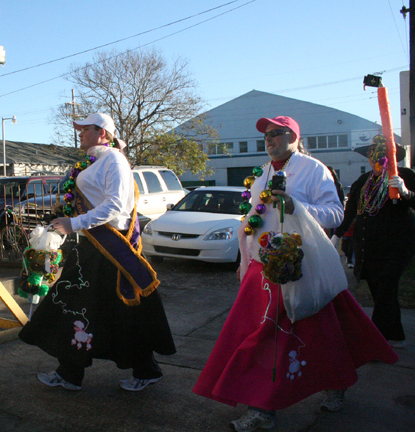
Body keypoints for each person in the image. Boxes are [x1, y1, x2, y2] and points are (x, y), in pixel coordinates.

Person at [192, 116, 398, 432]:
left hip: (299, 267)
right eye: (266, 135)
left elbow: (335, 213)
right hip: (262, 270)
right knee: (259, 339)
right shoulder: (262, 174)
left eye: (277, 133)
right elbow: (251, 220)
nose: (269, 139)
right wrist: (244, 261)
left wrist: (295, 204)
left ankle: (331, 384)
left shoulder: (313, 169)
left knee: (315, 337)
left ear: (294, 137)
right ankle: (262, 407)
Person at [19, 113, 176, 391]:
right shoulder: (95, 161)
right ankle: (70, 372)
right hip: (90, 248)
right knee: (75, 307)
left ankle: (143, 368)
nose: (79, 133)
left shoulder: (114, 160)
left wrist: (74, 223)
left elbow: (115, 207)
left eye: (84, 129)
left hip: (110, 251)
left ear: (102, 132)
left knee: (118, 314)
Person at [332, 135, 415, 349]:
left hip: (396, 248)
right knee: (381, 294)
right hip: (368, 248)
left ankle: (375, 342)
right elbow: (350, 212)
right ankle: (396, 335)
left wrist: (407, 193)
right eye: (371, 157)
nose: (375, 161)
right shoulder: (363, 181)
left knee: (386, 287)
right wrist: (336, 235)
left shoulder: (404, 176)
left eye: (380, 156)